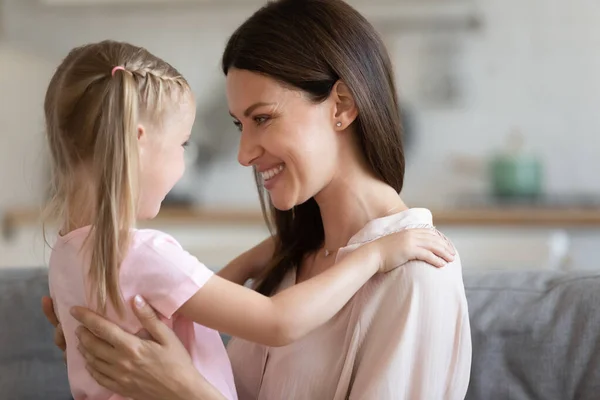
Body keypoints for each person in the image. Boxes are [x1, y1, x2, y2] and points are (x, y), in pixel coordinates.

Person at [41, 39, 456, 400]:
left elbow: (190, 294)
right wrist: (370, 257)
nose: (242, 155)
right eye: (184, 143)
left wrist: (183, 389)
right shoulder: (143, 251)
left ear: (342, 107)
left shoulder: (66, 251)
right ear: (138, 140)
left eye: (261, 118)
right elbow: (277, 321)